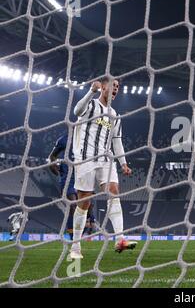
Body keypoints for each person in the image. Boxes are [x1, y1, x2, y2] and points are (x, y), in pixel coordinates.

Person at [69, 77, 136, 260]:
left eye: (117, 87)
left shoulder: (115, 115)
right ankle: (75, 246)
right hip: (86, 157)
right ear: (103, 87)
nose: (115, 89)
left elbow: (117, 141)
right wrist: (91, 91)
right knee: (85, 201)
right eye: (113, 86)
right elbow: (77, 110)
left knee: (114, 191)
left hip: (106, 158)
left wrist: (123, 163)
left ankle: (120, 239)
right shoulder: (91, 106)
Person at [48, 132, 78, 240]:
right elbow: (52, 156)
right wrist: (53, 168)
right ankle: (73, 237)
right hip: (68, 178)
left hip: (82, 177)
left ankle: (76, 234)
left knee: (84, 208)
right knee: (73, 205)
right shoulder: (63, 140)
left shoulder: (87, 138)